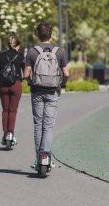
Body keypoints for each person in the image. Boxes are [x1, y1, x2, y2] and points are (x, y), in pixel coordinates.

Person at [23, 22, 69, 170]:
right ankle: (46, 157)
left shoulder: (32, 52)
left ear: (37, 35)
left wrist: (31, 82)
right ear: (51, 35)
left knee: (38, 125)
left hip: (37, 91)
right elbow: (67, 73)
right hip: (52, 91)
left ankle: (39, 159)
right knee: (48, 126)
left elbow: (26, 75)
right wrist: (62, 83)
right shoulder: (59, 51)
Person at [0, 35, 25, 146]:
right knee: (12, 111)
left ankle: (5, 133)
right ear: (18, 46)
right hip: (16, 84)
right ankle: (11, 133)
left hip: (3, 86)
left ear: (8, 45)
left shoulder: (1, 56)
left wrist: (1, 78)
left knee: (5, 110)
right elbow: (25, 69)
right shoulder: (20, 56)